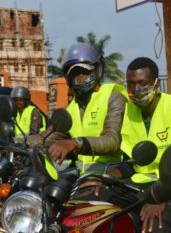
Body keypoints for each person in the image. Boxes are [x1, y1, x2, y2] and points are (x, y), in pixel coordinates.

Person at [110, 57, 171, 233]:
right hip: (141, 187)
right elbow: (130, 164)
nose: (136, 89)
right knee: (97, 210)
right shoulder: (128, 114)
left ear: (156, 84)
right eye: (131, 85)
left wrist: (163, 196)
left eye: (142, 83)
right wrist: (106, 178)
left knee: (154, 225)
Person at [44, 42, 128, 174]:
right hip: (81, 173)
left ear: (98, 69)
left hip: (109, 172)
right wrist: (17, 141)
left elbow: (113, 140)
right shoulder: (72, 107)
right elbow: (48, 137)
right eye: (75, 74)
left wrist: (76, 143)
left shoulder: (114, 97)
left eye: (85, 72)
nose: (80, 78)